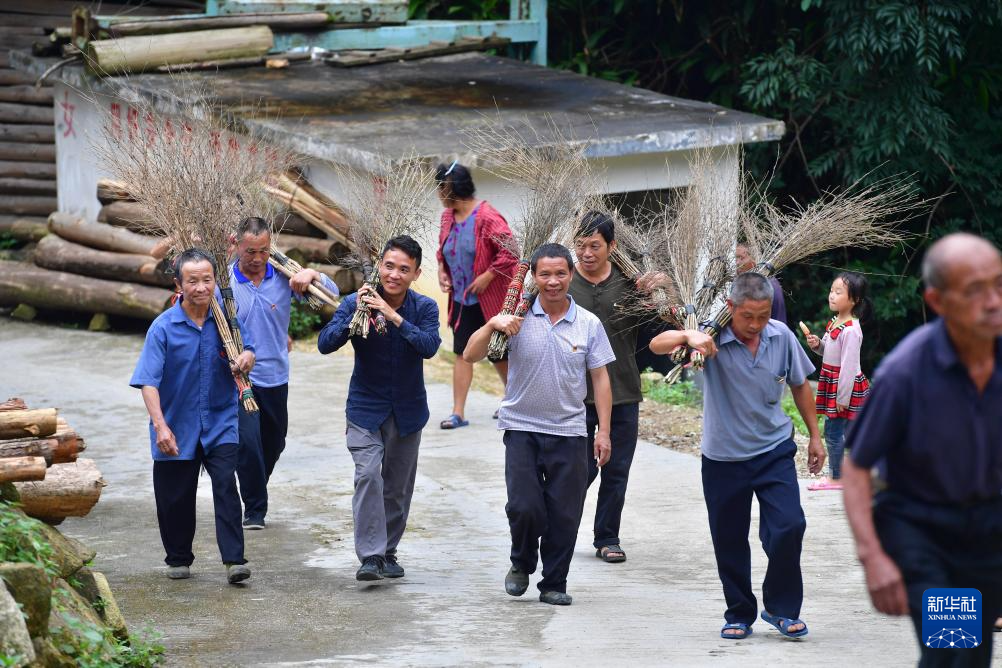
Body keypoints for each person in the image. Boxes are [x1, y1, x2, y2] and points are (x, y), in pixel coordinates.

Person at [842, 233, 1002, 667]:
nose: (993, 301)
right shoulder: (906, 373)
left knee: (972, 655)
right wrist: (872, 556)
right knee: (954, 646)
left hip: (988, 528)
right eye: (974, 291)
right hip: (923, 529)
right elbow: (856, 467)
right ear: (938, 300)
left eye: (999, 285)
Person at [652, 271, 824, 640]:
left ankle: (781, 608)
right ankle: (739, 612)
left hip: (773, 449)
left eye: (763, 316)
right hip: (723, 457)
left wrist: (815, 436)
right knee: (728, 538)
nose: (756, 325)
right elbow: (656, 345)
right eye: (748, 316)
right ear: (730, 308)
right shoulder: (710, 341)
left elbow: (799, 386)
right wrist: (687, 335)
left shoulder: (780, 336)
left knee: (789, 526)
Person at [464, 243, 615, 606]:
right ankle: (521, 562)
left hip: (570, 431)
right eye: (544, 274)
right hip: (521, 428)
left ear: (572, 274)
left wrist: (604, 432)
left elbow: (601, 380)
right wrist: (491, 324)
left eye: (560, 273)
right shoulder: (514, 320)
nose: (552, 281)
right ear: (533, 276)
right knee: (524, 505)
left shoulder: (588, 324)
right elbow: (470, 354)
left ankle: (554, 583)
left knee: (565, 513)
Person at [568, 210, 709, 563]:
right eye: (581, 246)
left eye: (595, 246)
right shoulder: (564, 283)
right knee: (577, 472)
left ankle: (607, 537)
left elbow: (671, 320)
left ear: (612, 246)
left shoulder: (632, 286)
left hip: (623, 391)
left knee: (616, 470)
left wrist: (664, 287)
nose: (587, 253)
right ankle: (560, 531)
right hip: (573, 395)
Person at [318, 235, 441, 581]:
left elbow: (430, 346)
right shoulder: (355, 303)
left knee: (397, 488)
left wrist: (394, 318)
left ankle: (388, 551)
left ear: (415, 274)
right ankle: (370, 556)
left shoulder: (425, 308)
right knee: (369, 475)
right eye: (389, 266)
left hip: (408, 412)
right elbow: (325, 344)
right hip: (364, 410)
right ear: (379, 266)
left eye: (404, 269)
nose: (395, 274)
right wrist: (352, 315)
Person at [130, 248, 255, 584]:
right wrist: (160, 426)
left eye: (207, 279)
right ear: (178, 284)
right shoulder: (164, 328)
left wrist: (245, 358)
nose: (201, 287)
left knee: (227, 486)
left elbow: (248, 348)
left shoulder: (227, 319)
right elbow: (148, 382)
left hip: (220, 422)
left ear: (216, 280)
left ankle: (234, 561)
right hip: (176, 424)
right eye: (193, 281)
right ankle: (179, 557)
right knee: (175, 498)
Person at [228, 217, 340, 530]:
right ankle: (254, 511)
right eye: (250, 251)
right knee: (248, 442)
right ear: (237, 246)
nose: (257, 258)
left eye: (263, 251)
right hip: (239, 376)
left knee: (274, 442)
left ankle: (253, 488)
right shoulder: (226, 283)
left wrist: (313, 274)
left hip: (275, 373)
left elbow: (330, 295)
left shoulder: (282, 276)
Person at [435, 161, 518, 429]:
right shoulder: (447, 216)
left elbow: (511, 251)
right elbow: (442, 250)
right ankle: (457, 413)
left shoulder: (487, 216)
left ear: (450, 188)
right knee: (462, 352)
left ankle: (513, 400)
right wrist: (442, 271)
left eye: (440, 187)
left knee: (498, 353)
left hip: (489, 299)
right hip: (461, 298)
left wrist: (488, 275)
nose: (438, 193)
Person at [803, 271, 871, 491]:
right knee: (850, 432)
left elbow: (849, 367)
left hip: (845, 387)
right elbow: (830, 353)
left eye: (838, 292)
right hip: (836, 383)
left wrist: (842, 397)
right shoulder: (835, 322)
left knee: (833, 432)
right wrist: (817, 346)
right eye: (831, 291)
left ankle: (837, 477)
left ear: (855, 300)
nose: (831, 296)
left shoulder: (851, 330)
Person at [736, 242, 787, 324]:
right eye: (735, 258)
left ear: (755, 259)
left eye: (741, 258)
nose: (737, 263)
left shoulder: (766, 285)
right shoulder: (751, 283)